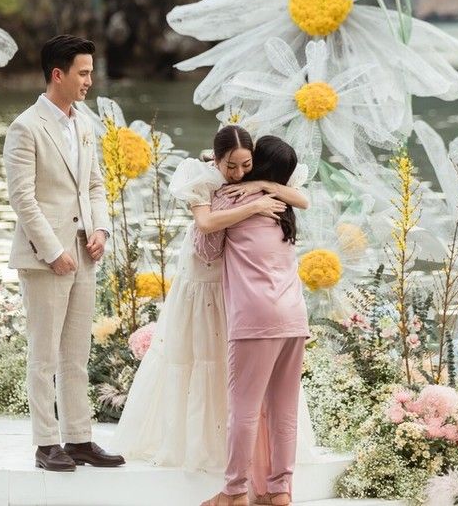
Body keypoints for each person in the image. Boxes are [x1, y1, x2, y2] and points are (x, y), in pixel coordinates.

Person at [111, 125, 313, 480]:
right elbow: (205, 224)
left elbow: (302, 198)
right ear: (215, 158)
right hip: (204, 278)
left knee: (236, 372)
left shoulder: (255, 182)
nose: (237, 173)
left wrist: (259, 187)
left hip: (239, 283)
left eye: (245, 165)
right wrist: (255, 206)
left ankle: (241, 465)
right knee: (198, 356)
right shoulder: (199, 177)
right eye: (230, 167)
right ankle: (203, 447)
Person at [3, 35, 124, 472]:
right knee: (44, 354)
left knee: (77, 354)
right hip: (44, 257)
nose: (90, 80)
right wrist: (52, 251)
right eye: (84, 72)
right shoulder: (25, 127)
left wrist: (101, 230)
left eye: (91, 72)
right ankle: (45, 443)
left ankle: (79, 439)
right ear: (59, 74)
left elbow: (94, 186)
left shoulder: (84, 125)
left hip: (84, 252)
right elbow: (22, 199)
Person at [197, 136, 309, 506]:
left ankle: (234, 493)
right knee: (284, 410)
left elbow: (206, 250)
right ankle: (280, 491)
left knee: (244, 410)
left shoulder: (231, 200)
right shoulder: (284, 207)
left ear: (256, 163)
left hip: (255, 318)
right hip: (294, 316)